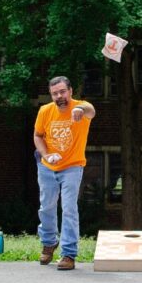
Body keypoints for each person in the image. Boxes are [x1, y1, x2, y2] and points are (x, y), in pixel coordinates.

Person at [33, 76, 96, 271]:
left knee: (69, 208)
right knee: (46, 207)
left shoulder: (81, 107)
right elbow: (38, 136)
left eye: (62, 92)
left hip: (72, 166)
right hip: (47, 166)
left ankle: (68, 253)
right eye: (55, 93)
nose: (59, 96)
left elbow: (91, 111)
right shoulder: (45, 111)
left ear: (70, 91)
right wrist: (46, 154)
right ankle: (49, 242)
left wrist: (79, 109)